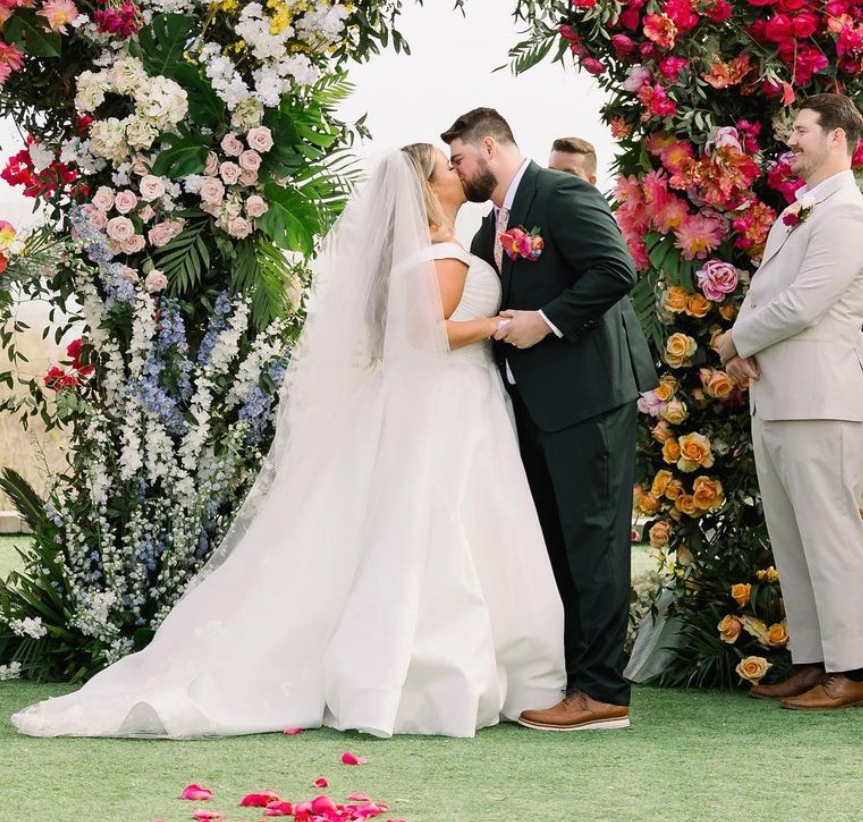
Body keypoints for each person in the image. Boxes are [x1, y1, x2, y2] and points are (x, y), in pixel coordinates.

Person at [12, 147, 565, 740]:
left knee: (408, 530)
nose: (460, 171)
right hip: (449, 404)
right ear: (427, 189)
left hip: (428, 401)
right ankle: (432, 672)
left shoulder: (410, 255)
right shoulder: (443, 255)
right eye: (448, 168)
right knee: (440, 528)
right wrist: (502, 323)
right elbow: (428, 333)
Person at [441, 108, 658, 731]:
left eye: (459, 159)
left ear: (489, 146)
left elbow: (616, 269)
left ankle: (603, 692)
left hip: (589, 395)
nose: (457, 171)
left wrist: (547, 319)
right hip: (534, 403)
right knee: (559, 543)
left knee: (595, 542)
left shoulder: (559, 192)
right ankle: (572, 676)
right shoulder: (491, 226)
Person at [712, 93, 863, 711]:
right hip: (777, 394)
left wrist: (733, 339)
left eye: (803, 130)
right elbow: (766, 297)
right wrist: (739, 353)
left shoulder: (847, 217)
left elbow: (806, 304)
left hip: (822, 397)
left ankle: (852, 672)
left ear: (837, 138)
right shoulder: (800, 211)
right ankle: (813, 661)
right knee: (792, 537)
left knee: (830, 534)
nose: (793, 141)